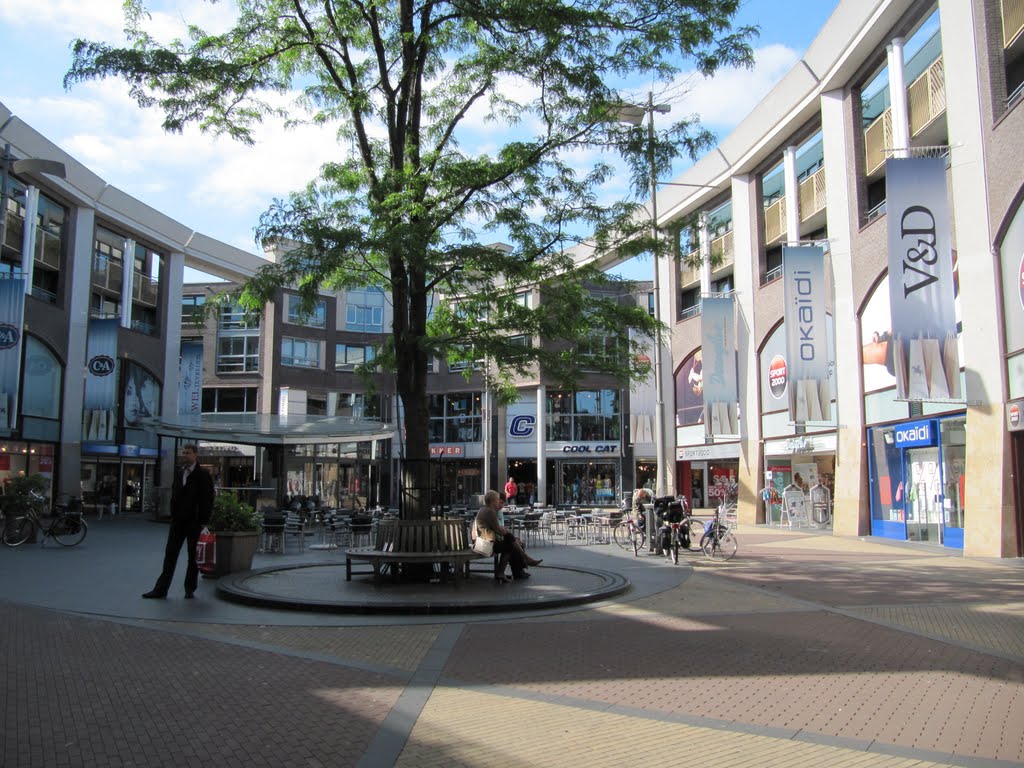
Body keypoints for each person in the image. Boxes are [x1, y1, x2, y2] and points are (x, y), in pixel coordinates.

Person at [143, 444, 214, 599]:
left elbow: (208, 499)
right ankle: (161, 588)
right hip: (178, 521)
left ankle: (189, 588)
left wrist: (203, 520)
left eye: (188, 453)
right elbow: (175, 494)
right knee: (170, 555)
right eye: (183, 453)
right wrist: (173, 515)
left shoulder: (202, 474)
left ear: (196, 455)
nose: (185, 455)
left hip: (194, 522)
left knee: (192, 557)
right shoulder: (180, 472)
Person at [475, 489, 538, 582]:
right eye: (497, 500)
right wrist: (504, 531)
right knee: (510, 542)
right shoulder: (490, 511)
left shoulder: (484, 509)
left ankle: (518, 566)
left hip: (485, 541)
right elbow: (498, 531)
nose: (498, 502)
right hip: (486, 544)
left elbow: (497, 529)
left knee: (511, 541)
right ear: (493, 501)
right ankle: (520, 563)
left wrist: (504, 531)